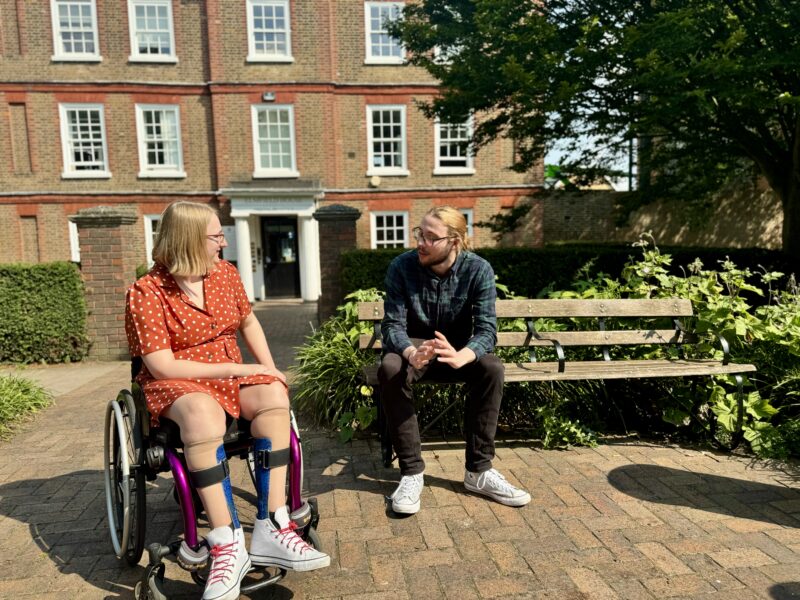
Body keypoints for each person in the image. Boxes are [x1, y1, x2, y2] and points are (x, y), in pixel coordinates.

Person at [125, 201, 329, 600]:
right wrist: (236, 371)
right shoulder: (146, 292)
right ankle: (226, 544)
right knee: (202, 414)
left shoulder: (225, 275)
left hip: (227, 372)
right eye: (216, 236)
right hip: (178, 383)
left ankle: (273, 526)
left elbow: (248, 321)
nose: (223, 242)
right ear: (187, 240)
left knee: (273, 395)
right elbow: (162, 365)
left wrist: (269, 369)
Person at [379, 206, 531, 515]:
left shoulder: (479, 270)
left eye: (431, 237)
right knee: (390, 367)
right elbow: (392, 325)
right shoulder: (401, 267)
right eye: (419, 233)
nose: (421, 242)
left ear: (455, 241)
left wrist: (465, 354)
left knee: (491, 367)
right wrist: (410, 352)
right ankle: (411, 472)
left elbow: (487, 329)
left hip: (459, 350)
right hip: (416, 349)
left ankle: (478, 471)